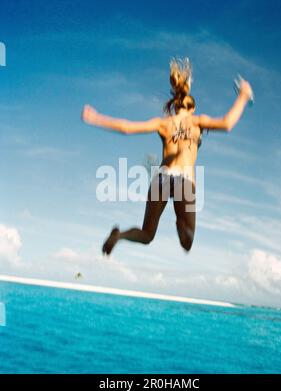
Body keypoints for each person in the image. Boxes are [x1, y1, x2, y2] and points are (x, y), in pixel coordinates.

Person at [82, 57, 253, 255]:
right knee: (187, 242)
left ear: (175, 105)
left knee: (147, 235)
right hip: (185, 179)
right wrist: (243, 95)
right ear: (192, 108)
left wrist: (96, 118)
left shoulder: (164, 123)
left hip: (162, 177)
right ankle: (181, 224)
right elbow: (227, 123)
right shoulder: (197, 121)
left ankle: (119, 236)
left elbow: (127, 128)